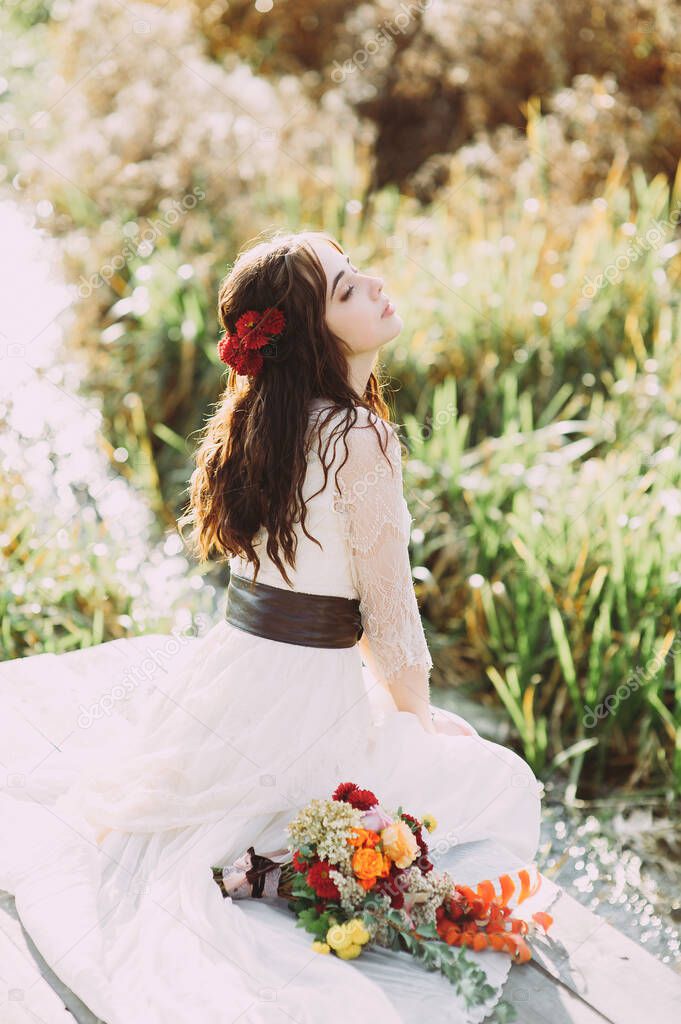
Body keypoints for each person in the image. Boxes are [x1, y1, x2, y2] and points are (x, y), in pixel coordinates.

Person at [0, 229, 549, 1023]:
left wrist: (401, 713)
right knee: (500, 780)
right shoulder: (360, 436)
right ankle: (274, 858)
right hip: (301, 702)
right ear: (315, 334)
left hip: (229, 678)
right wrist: (420, 724)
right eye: (347, 288)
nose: (374, 286)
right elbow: (388, 617)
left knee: (422, 757)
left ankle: (266, 853)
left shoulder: (261, 417)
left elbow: (328, 603)